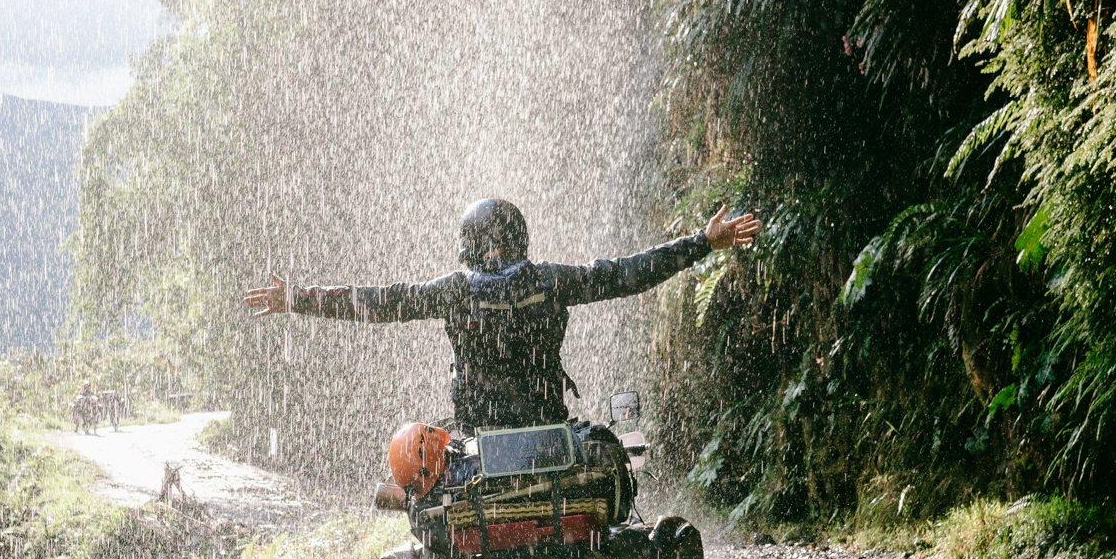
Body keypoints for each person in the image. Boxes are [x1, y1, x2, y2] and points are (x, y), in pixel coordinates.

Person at [244, 199, 760, 432]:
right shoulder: (551, 281)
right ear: (522, 239)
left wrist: (298, 299)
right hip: (545, 428)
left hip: (478, 435)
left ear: (466, 247)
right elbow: (628, 274)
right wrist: (701, 243)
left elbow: (379, 302)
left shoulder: (454, 292)